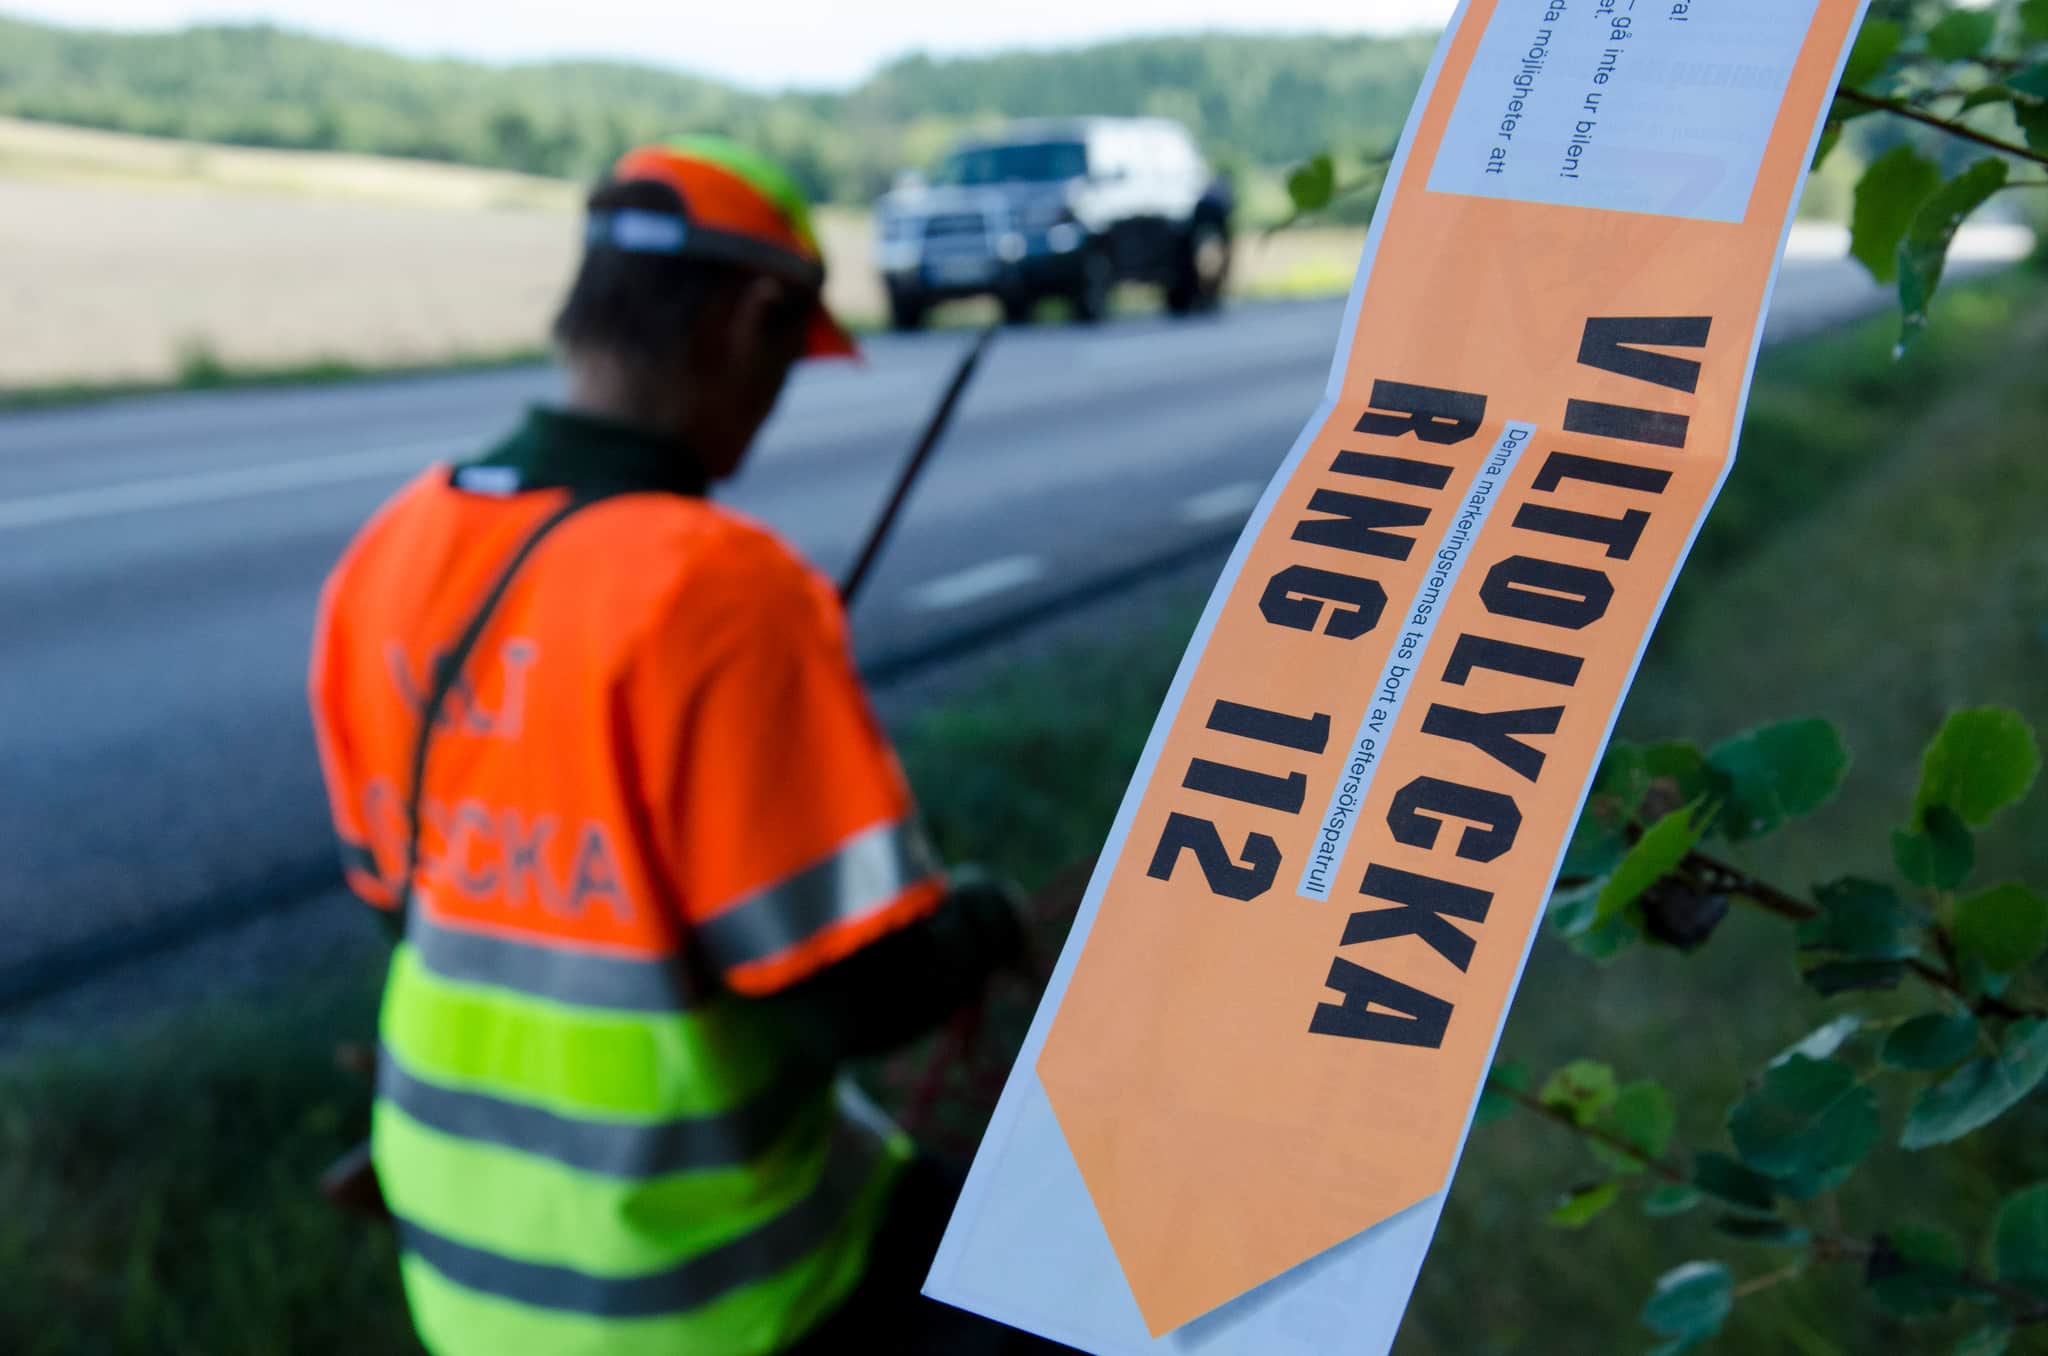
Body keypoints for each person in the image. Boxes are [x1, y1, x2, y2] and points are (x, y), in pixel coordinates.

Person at [309, 135, 1054, 1356]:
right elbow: (850, 996)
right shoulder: (713, 589)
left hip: (463, 1265)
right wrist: (979, 920)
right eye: (787, 363)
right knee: (1074, 1295)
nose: (770, 403)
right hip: (711, 1289)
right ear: (753, 317)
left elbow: (403, 900)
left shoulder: (389, 551)